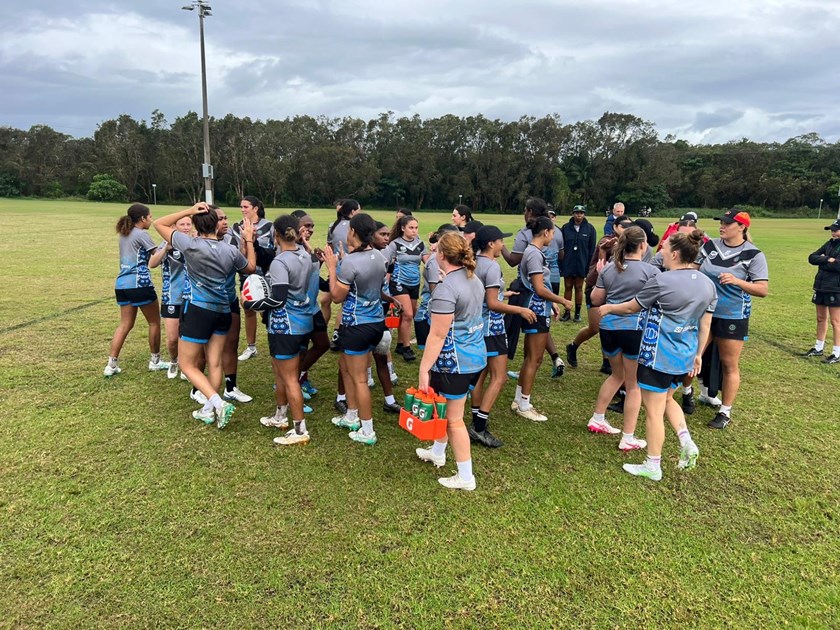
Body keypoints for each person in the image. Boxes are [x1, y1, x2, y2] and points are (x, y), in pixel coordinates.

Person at [599, 230, 716, 481]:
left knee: (653, 410)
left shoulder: (662, 281)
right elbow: (705, 325)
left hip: (657, 355)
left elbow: (632, 306)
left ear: (675, 254)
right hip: (684, 354)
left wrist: (608, 307)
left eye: (664, 247)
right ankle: (686, 440)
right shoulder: (708, 284)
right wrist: (698, 355)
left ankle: (653, 464)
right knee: (667, 401)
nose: (660, 250)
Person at [154, 203, 256, 428]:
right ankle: (208, 410)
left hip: (199, 310)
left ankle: (218, 403)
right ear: (215, 224)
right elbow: (250, 267)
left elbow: (158, 223)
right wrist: (248, 239)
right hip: (223, 311)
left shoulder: (190, 244)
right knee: (215, 361)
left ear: (196, 224)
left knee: (186, 363)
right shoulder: (229, 250)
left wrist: (189, 211)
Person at [415, 231, 487, 491]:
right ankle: (438, 451)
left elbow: (437, 334)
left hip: (455, 363)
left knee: (454, 420)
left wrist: (424, 369)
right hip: (475, 358)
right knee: (445, 411)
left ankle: (465, 477)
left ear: (441, 255)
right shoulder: (472, 279)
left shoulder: (446, 288)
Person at [586, 226, 660, 450]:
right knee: (633, 384)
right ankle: (628, 436)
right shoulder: (651, 272)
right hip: (634, 329)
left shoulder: (609, 268)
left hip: (608, 329)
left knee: (617, 375)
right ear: (642, 245)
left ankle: (598, 418)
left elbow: (595, 298)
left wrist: (601, 275)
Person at [697, 209, 769, 429]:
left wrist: (738, 282)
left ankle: (725, 412)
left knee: (729, 364)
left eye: (728, 223)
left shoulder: (754, 254)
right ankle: (690, 394)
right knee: (693, 355)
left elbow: (762, 289)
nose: (723, 226)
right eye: (722, 222)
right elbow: (695, 268)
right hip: (705, 312)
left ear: (742, 227)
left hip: (732, 314)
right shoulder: (709, 247)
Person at [469, 226, 537, 447]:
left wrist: (503, 293)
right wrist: (521, 310)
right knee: (499, 377)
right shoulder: (491, 267)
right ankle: (479, 427)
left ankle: (475, 421)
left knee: (480, 375)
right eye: (500, 241)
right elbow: (492, 303)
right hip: (492, 329)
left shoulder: (473, 262)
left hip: (476, 327)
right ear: (491, 244)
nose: (502, 245)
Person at [324, 213, 388, 445]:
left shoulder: (351, 261)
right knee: (345, 365)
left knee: (359, 378)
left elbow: (336, 297)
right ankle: (351, 415)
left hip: (357, 325)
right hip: (375, 323)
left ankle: (367, 430)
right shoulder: (380, 256)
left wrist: (333, 267)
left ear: (353, 232)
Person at [257, 215, 315, 446]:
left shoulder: (280, 262)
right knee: (281, 373)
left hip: (285, 325)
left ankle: (300, 429)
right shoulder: (305, 255)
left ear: (276, 235)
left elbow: (278, 299)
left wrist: (252, 304)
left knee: (290, 378)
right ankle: (280, 416)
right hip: (302, 323)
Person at [512, 216, 574, 421]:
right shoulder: (534, 255)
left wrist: (552, 303)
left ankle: (519, 398)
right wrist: (563, 300)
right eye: (553, 232)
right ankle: (524, 404)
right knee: (535, 358)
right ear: (546, 232)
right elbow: (539, 288)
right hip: (535, 309)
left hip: (538, 307)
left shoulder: (533, 252)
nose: (554, 236)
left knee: (531, 357)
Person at [105, 203, 168, 376]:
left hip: (122, 285)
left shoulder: (124, 234)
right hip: (140, 284)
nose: (151, 220)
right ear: (142, 219)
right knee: (154, 322)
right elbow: (156, 257)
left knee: (125, 324)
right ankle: (155, 361)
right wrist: (167, 242)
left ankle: (111, 365)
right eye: (150, 217)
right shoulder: (142, 234)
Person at [567, 215, 633, 374]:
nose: (627, 229)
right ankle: (573, 346)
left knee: (608, 325)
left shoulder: (629, 244)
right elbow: (602, 263)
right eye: (624, 226)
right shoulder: (607, 240)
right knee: (595, 327)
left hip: (614, 289)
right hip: (596, 286)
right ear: (616, 227)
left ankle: (606, 362)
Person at [148, 214, 192, 379]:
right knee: (173, 338)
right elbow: (152, 264)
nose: (186, 227)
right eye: (182, 224)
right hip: (172, 297)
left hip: (192, 297)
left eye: (189, 224)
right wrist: (165, 249)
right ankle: (174, 360)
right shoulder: (167, 244)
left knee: (188, 337)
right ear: (173, 227)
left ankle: (187, 365)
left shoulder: (194, 243)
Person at [235, 196, 275, 361]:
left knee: (267, 313)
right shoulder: (236, 227)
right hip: (246, 275)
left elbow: (274, 250)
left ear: (255, 208)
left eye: (246, 206)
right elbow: (235, 253)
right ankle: (251, 347)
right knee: (248, 310)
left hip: (266, 276)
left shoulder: (269, 226)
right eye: (242, 207)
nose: (243, 209)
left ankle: (274, 341)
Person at [383, 215, 426, 361]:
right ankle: (407, 348)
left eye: (416, 228)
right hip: (399, 282)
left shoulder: (420, 244)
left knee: (408, 315)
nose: (414, 231)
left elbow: (429, 262)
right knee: (407, 314)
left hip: (415, 283)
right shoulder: (395, 244)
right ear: (403, 228)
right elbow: (387, 263)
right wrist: (385, 282)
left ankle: (400, 344)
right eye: (411, 227)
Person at [804, 220, 840, 363]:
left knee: (836, 321)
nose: (833, 233)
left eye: (836, 230)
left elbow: (838, 266)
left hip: (835, 288)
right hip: (821, 286)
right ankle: (819, 347)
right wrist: (827, 259)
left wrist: (823, 262)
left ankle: (836, 352)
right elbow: (812, 257)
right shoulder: (829, 243)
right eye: (832, 230)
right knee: (820, 318)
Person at [560, 205, 597, 322]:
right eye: (577, 212)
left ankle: (577, 313)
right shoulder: (565, 228)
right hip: (568, 261)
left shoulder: (590, 229)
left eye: (581, 213)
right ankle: (566, 312)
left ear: (584, 214)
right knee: (568, 286)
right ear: (573, 213)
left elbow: (592, 250)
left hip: (582, 262)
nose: (579, 215)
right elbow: (562, 248)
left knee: (579, 287)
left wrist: (590, 266)